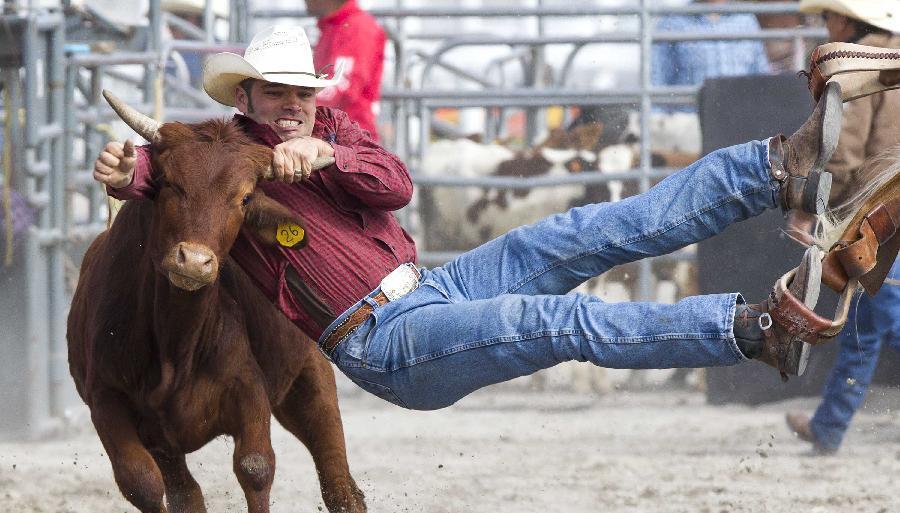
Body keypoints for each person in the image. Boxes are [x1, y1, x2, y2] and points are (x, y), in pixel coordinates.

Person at [92, 25, 896, 412]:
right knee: (558, 320)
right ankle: (754, 331)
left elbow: (395, 184)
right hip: (382, 340)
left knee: (593, 228)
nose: (296, 107)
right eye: (279, 95)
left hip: (432, 287)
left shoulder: (332, 135)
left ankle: (782, 167)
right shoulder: (220, 149)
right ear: (246, 99)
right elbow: (171, 175)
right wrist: (129, 173)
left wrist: (328, 157)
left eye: (304, 93)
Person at [785, 0, 900, 454]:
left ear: (850, 19)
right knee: (869, 324)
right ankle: (829, 426)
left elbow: (847, 150)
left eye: (830, 15)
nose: (826, 23)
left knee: (887, 314)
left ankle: (829, 426)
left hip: (879, 208)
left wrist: (814, 207)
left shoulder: (860, 66)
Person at [652, 0, 770, 112]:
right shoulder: (672, 23)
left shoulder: (746, 20)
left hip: (740, 121)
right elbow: (656, 85)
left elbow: (762, 81)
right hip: (692, 125)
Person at [305, 0, 386, 140]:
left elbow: (342, 89)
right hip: (335, 135)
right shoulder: (338, 26)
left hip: (349, 141)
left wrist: (296, 104)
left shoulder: (357, 27)